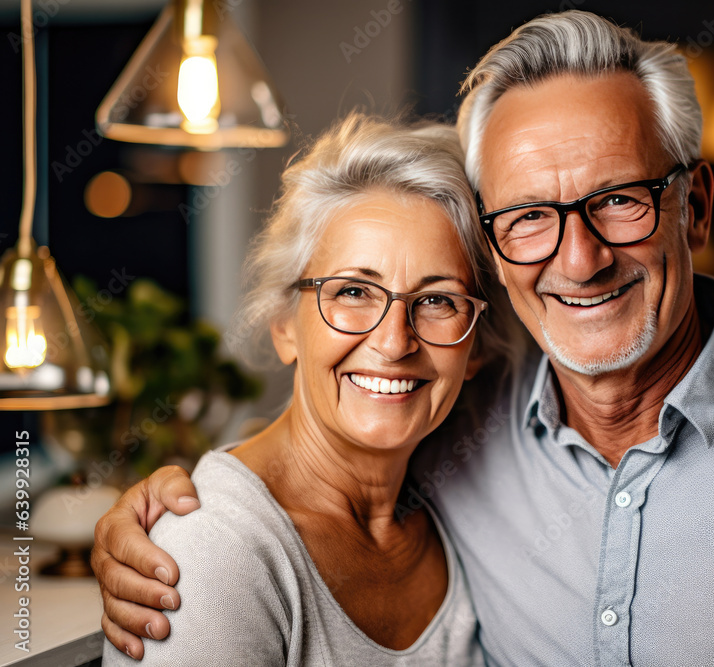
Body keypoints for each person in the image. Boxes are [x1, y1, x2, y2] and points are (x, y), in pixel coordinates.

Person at [94, 10, 714, 665]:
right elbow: (310, 461)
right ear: (499, 253)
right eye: (528, 217)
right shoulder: (463, 428)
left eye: (620, 199)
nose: (580, 257)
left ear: (697, 206)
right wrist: (160, 509)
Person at [100, 111, 525, 664]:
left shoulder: (454, 498)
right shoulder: (212, 552)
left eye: (439, 300)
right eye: (352, 291)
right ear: (284, 326)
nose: (395, 343)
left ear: (476, 349)